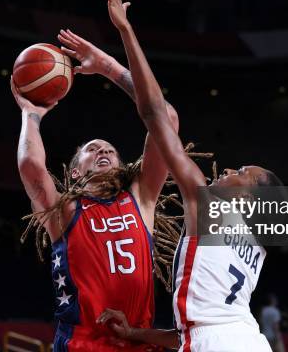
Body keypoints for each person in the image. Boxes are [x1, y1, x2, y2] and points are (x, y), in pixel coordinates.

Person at [96, 0, 280, 352]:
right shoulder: (256, 244)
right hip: (247, 339)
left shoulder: (209, 204)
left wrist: (124, 34)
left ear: (246, 200)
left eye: (242, 173)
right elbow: (198, 329)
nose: (229, 169)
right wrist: (134, 335)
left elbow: (154, 114)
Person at [12, 24, 179, 350]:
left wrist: (108, 67)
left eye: (109, 150)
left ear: (121, 165)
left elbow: (166, 119)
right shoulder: (63, 210)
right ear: (75, 174)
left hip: (137, 342)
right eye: (91, 149)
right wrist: (31, 115)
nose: (102, 151)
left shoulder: (141, 196)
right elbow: (31, 166)